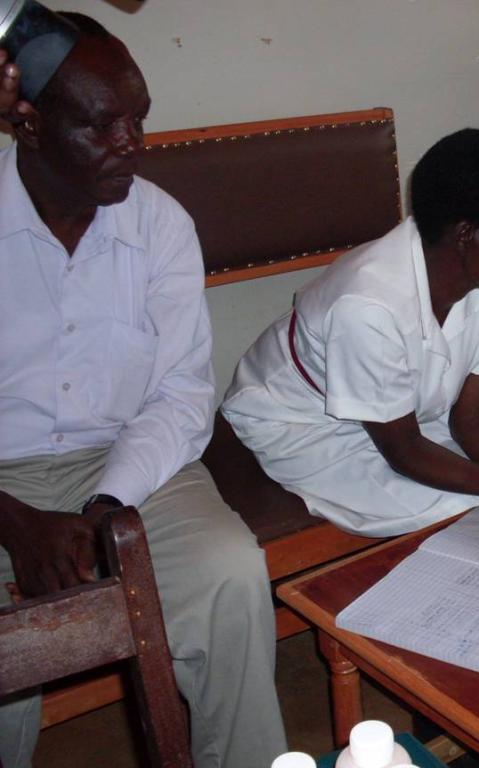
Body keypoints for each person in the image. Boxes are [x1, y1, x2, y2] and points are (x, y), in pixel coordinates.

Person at [0, 15, 286, 768]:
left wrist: (103, 511)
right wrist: (16, 522)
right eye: (103, 125)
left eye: (139, 119)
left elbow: (181, 394)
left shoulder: (159, 224)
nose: (134, 144)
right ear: (27, 123)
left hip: (134, 464)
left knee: (228, 573)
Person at [222, 128, 479, 536]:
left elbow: (474, 418)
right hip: (306, 427)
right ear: (465, 235)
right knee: (471, 510)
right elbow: (404, 451)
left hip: (406, 419)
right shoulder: (367, 304)